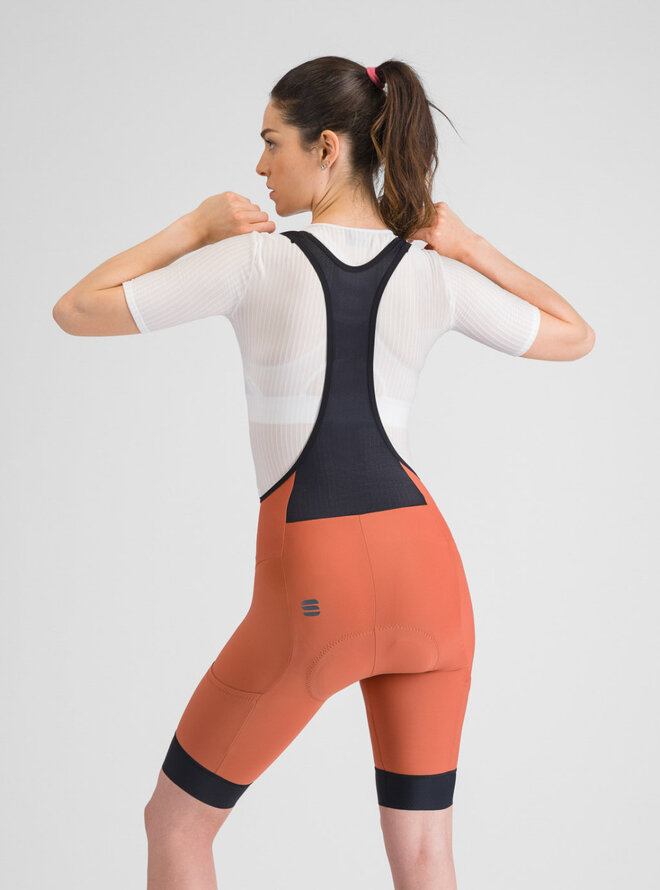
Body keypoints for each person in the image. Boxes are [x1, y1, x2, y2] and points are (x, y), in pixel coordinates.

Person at [53, 55, 594, 890]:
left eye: (273, 143)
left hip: (316, 576)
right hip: (431, 584)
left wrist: (193, 227)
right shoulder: (432, 274)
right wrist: (470, 247)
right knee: (426, 854)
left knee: (177, 823)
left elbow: (76, 309)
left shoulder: (254, 261)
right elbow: (575, 334)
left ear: (328, 148)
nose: (260, 165)